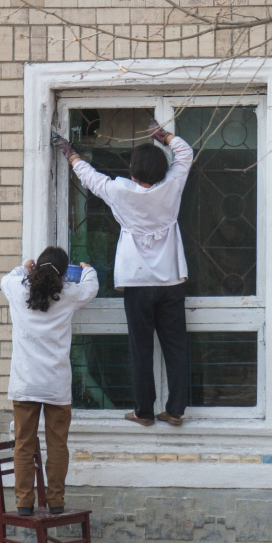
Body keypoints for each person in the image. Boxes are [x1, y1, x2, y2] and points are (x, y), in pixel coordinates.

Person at [53, 122, 193, 427]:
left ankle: (143, 412)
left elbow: (90, 178)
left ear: (133, 172)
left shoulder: (120, 190)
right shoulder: (171, 186)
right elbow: (185, 154)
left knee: (140, 350)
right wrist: (166, 136)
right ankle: (176, 409)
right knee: (176, 347)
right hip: (170, 281)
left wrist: (71, 153)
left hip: (137, 283)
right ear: (161, 170)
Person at [1, 246, 98, 515]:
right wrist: (87, 269)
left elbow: (8, 277)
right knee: (57, 445)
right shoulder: (68, 294)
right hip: (56, 385)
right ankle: (56, 502)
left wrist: (25, 267)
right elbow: (91, 287)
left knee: (23, 444)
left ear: (37, 269)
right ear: (64, 273)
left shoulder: (17, 288)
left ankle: (24, 502)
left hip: (25, 384)